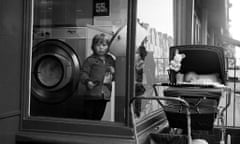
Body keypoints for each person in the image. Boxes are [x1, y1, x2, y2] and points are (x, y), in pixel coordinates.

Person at [80, 33, 115, 120]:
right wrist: (87, 81)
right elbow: (83, 73)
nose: (101, 47)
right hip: (91, 94)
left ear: (108, 47)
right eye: (98, 45)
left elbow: (114, 78)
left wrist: (113, 72)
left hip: (105, 95)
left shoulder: (110, 60)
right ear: (93, 46)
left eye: (104, 45)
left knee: (98, 117)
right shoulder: (90, 60)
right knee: (88, 117)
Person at [134, 45, 148, 117]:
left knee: (138, 99)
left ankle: (137, 113)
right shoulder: (138, 63)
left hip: (139, 85)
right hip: (138, 84)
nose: (135, 54)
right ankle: (137, 112)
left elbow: (143, 76)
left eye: (137, 53)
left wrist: (138, 83)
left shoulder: (142, 63)